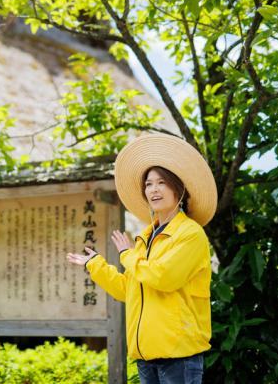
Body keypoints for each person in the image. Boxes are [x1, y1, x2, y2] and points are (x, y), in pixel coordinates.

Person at [66, 134, 217, 384]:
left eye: (162, 182)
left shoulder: (190, 234)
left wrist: (127, 254)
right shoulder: (146, 236)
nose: (153, 190)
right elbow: (130, 290)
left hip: (178, 357)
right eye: (148, 184)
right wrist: (96, 265)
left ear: (179, 189)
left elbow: (164, 277)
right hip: (145, 356)